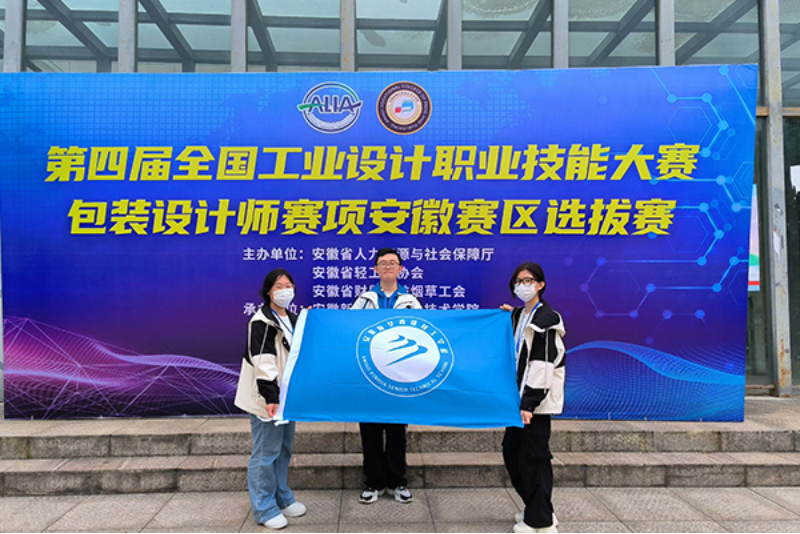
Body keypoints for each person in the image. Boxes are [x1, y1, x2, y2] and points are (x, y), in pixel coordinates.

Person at [235, 269, 307, 530]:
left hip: (287, 398)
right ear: (268, 292)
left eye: (289, 285)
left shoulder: (292, 319)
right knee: (266, 453)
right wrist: (270, 395)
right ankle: (264, 508)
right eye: (279, 286)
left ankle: (282, 497)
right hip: (268, 399)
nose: (285, 290)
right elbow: (263, 361)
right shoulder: (262, 322)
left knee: (283, 450)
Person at [350, 247, 422, 504]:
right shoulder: (364, 300)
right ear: (375, 269)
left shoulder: (411, 301)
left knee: (396, 431)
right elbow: (348, 329)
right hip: (369, 376)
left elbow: (423, 334)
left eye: (393, 263)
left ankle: (397, 482)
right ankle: (374, 483)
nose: (388, 266)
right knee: (369, 431)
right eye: (383, 263)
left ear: (401, 269)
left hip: (398, 377)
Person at [500, 262, 566, 534]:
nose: (522, 285)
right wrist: (507, 314)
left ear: (540, 285)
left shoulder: (546, 319)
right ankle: (539, 509)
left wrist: (529, 403)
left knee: (534, 459)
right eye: (518, 281)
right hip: (517, 402)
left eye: (528, 280)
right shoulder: (521, 316)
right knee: (513, 453)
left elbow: (542, 364)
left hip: (534, 405)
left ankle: (541, 522)